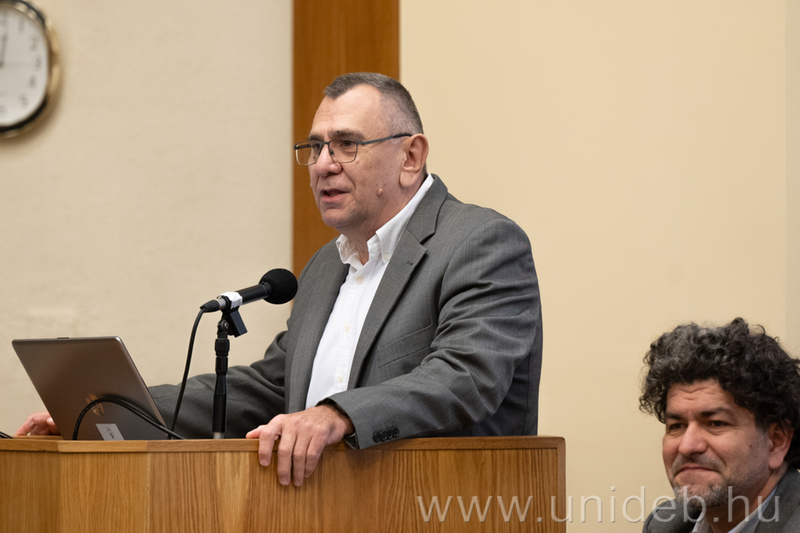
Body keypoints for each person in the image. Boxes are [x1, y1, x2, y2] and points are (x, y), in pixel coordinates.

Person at [18, 72, 543, 488]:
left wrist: (335, 415)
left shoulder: (481, 243)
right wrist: (110, 408)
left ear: (411, 155)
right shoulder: (325, 266)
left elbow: (466, 376)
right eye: (315, 148)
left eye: (346, 144)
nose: (323, 165)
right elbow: (272, 386)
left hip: (445, 504)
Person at [639, 317, 800, 533]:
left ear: (776, 441)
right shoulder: (665, 525)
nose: (687, 446)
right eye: (676, 426)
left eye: (715, 423)